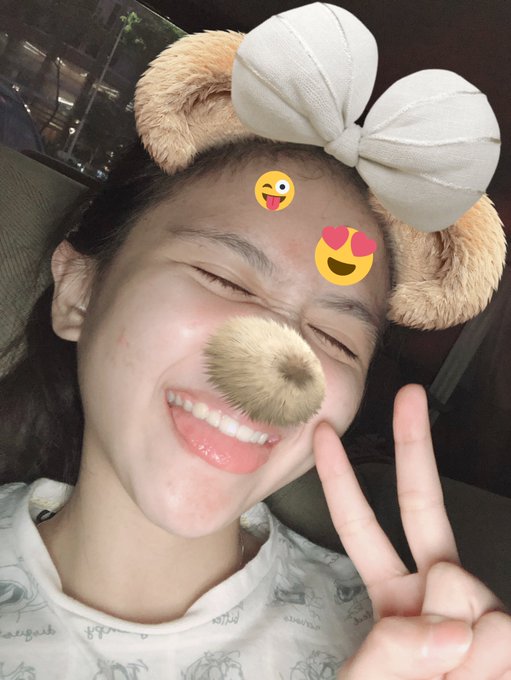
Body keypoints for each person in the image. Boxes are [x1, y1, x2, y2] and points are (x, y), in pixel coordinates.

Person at [0, 4, 509, 679]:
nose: (281, 357)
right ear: (78, 292)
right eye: (224, 279)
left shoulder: (415, 649)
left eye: (335, 337)